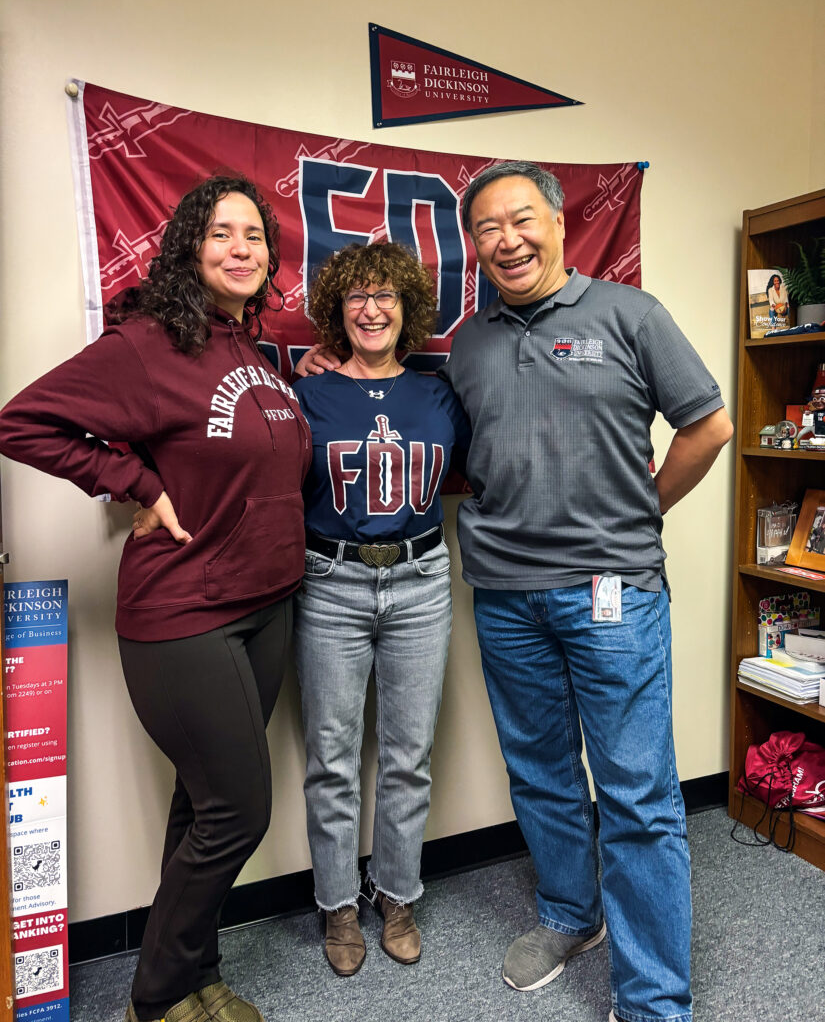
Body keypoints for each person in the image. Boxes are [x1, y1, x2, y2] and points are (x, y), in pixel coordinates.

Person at [0, 176, 311, 1022]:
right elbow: (22, 420)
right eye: (221, 234)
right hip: (186, 614)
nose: (241, 248)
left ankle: (196, 976)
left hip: (268, 604)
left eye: (254, 235)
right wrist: (128, 477)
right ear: (188, 248)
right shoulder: (147, 344)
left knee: (204, 804)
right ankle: (155, 997)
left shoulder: (254, 352)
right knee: (240, 811)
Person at [442, 161, 733, 1022]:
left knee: (638, 796)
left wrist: (641, 509)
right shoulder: (468, 341)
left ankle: (652, 1001)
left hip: (612, 594)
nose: (506, 238)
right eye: (487, 227)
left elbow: (707, 424)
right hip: (503, 594)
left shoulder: (630, 315)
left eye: (521, 218)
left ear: (560, 222)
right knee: (537, 771)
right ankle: (572, 917)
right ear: (474, 246)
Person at [292, 242, 470, 977]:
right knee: (330, 757)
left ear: (408, 310)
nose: (371, 309)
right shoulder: (303, 394)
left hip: (420, 579)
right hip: (330, 582)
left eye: (386, 296)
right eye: (356, 297)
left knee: (408, 753)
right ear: (338, 311)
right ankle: (337, 903)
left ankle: (395, 893)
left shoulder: (438, 395)